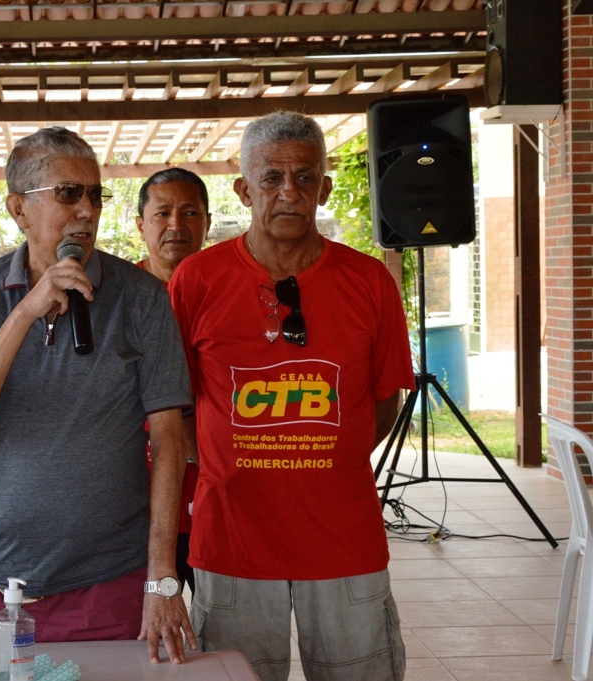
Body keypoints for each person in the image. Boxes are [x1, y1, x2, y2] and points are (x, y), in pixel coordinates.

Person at [0, 126, 196, 664]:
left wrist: (162, 578)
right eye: (68, 193)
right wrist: (26, 311)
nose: (87, 210)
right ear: (19, 209)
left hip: (105, 581)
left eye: (95, 194)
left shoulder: (142, 299)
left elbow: (170, 441)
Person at [169, 111, 414, 681]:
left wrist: (325, 460)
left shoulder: (370, 281)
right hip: (232, 540)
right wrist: (222, 464)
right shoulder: (196, 280)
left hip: (343, 538)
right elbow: (174, 406)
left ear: (323, 189)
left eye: (305, 178)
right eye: (271, 178)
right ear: (243, 189)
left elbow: (384, 402)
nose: (289, 192)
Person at [135, 168, 211, 597]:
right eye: (162, 213)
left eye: (190, 213)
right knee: (148, 620)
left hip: (216, 496)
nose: (176, 225)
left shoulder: (232, 293)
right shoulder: (118, 297)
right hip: (141, 499)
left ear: (208, 222)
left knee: (223, 624)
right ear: (141, 224)